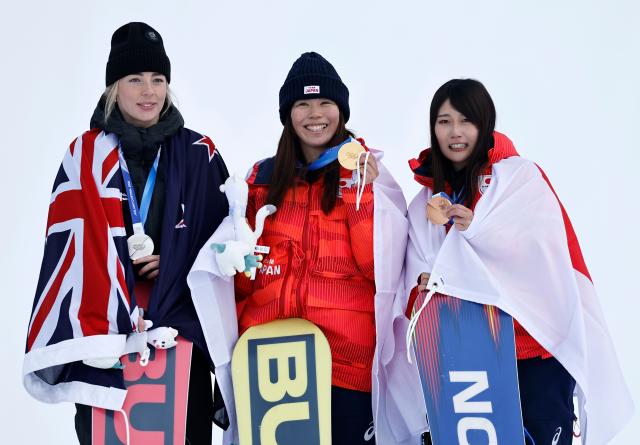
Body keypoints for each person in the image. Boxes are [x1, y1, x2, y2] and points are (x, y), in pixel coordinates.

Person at [188, 52, 427, 444]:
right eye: (303, 104)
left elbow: (379, 271)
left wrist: (359, 194)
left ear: (341, 110)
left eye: (325, 103)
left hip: (343, 365)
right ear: (288, 114)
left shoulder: (370, 176)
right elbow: (243, 281)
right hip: (271, 363)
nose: (315, 114)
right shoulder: (260, 179)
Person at [22, 22, 230, 444]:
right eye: (134, 79)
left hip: (179, 340)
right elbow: (68, 248)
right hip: (105, 344)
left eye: (157, 79)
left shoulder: (198, 153)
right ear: (114, 87)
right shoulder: (86, 154)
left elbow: (223, 244)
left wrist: (174, 265)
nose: (148, 91)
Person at [405, 78, 633, 444]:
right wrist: (425, 282)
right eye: (444, 121)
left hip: (533, 349)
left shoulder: (518, 178)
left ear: (485, 124)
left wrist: (477, 231)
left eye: (466, 120)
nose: (455, 132)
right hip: (466, 357)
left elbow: (543, 256)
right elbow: (413, 273)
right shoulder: (424, 202)